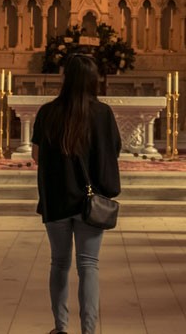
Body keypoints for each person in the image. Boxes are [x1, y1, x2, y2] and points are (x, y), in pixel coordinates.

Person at [32, 54, 122, 334]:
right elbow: (113, 151)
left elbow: (36, 155)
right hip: (89, 202)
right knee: (89, 265)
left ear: (66, 79)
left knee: (59, 263)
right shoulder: (103, 113)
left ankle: (60, 328)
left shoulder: (47, 112)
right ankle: (89, 331)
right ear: (93, 80)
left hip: (57, 199)